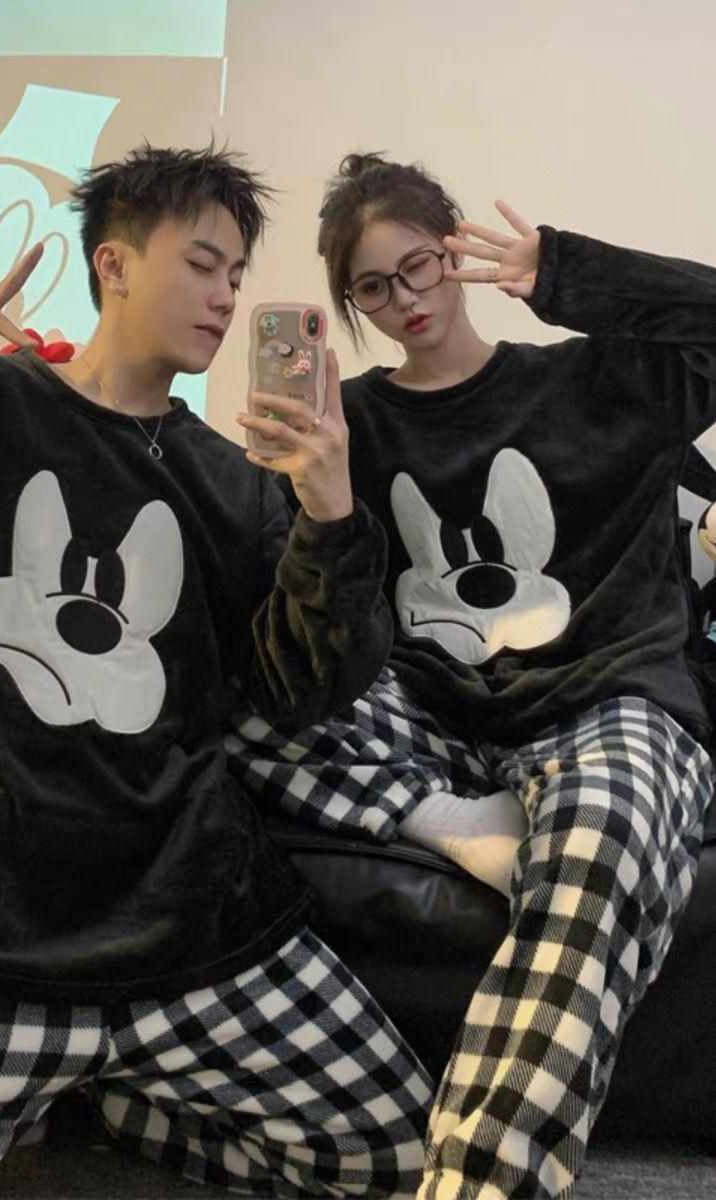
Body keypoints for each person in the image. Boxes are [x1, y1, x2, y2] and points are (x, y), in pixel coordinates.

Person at [0, 145, 434, 1199]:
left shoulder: (237, 482)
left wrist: (330, 509)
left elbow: (303, 689)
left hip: (187, 919)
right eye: (201, 263)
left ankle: (102, 1109)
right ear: (113, 264)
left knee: (405, 1160)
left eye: (236, 275)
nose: (225, 296)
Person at [227, 151, 716, 1199]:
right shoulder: (347, 424)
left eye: (420, 266)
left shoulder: (592, 383)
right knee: (226, 701)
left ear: (456, 252)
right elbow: (310, 668)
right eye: (372, 287)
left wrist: (568, 274)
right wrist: (320, 501)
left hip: (603, 704)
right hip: (434, 726)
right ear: (346, 305)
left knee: (604, 834)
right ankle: (453, 821)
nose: (405, 299)